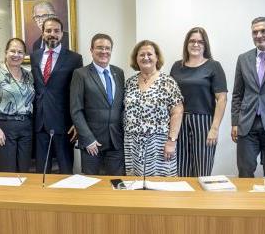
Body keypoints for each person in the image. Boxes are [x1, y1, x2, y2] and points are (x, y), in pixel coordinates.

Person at [231, 16, 265, 177]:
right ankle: (246, 203)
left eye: (264, 31)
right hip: (248, 124)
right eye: (255, 32)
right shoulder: (243, 58)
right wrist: (235, 122)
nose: (259, 35)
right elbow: (237, 94)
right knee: (245, 171)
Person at [170, 27, 227, 177]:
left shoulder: (214, 66)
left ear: (205, 45)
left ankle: (202, 200)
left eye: (200, 42)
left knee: (202, 170)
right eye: (192, 41)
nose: (196, 44)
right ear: (187, 44)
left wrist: (214, 128)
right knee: (180, 169)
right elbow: (170, 98)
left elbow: (221, 98)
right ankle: (183, 200)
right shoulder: (177, 66)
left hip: (204, 122)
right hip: (179, 122)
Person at [31, 17, 83, 174]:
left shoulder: (75, 58)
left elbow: (77, 93)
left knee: (66, 171)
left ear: (62, 34)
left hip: (64, 124)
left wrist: (77, 122)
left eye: (56, 31)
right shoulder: (35, 56)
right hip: (39, 123)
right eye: (48, 31)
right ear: (42, 33)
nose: (52, 34)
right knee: (41, 173)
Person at [124, 40, 183, 176]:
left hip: (159, 144)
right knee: (135, 186)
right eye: (141, 55)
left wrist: (171, 141)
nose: (145, 57)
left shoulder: (168, 82)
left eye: (149, 54)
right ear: (136, 59)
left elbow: (177, 112)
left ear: (157, 57)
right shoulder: (130, 82)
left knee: (160, 187)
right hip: (132, 143)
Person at [70, 33, 125, 175]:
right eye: (100, 48)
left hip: (116, 141)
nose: (104, 51)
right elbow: (76, 110)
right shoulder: (80, 74)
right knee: (91, 185)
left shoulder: (119, 73)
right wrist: (87, 139)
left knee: (117, 184)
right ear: (91, 50)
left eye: (108, 48)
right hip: (92, 143)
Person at [0, 38, 35, 173]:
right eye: (12, 51)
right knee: (6, 172)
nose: (16, 55)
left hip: (26, 127)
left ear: (24, 55)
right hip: (4, 126)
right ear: (6, 52)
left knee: (24, 171)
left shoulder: (28, 75)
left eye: (20, 52)